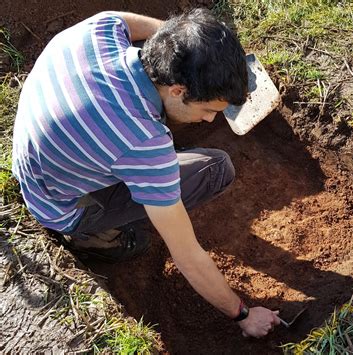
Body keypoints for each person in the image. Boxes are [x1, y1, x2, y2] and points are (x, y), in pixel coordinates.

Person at [12, 8, 280, 338]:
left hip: (45, 163)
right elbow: (187, 254)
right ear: (178, 90)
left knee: (146, 151)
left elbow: (148, 28)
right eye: (209, 110)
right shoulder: (143, 144)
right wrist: (242, 315)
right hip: (64, 206)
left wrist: (197, 52)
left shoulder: (98, 32)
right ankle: (92, 238)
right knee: (214, 170)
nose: (212, 120)